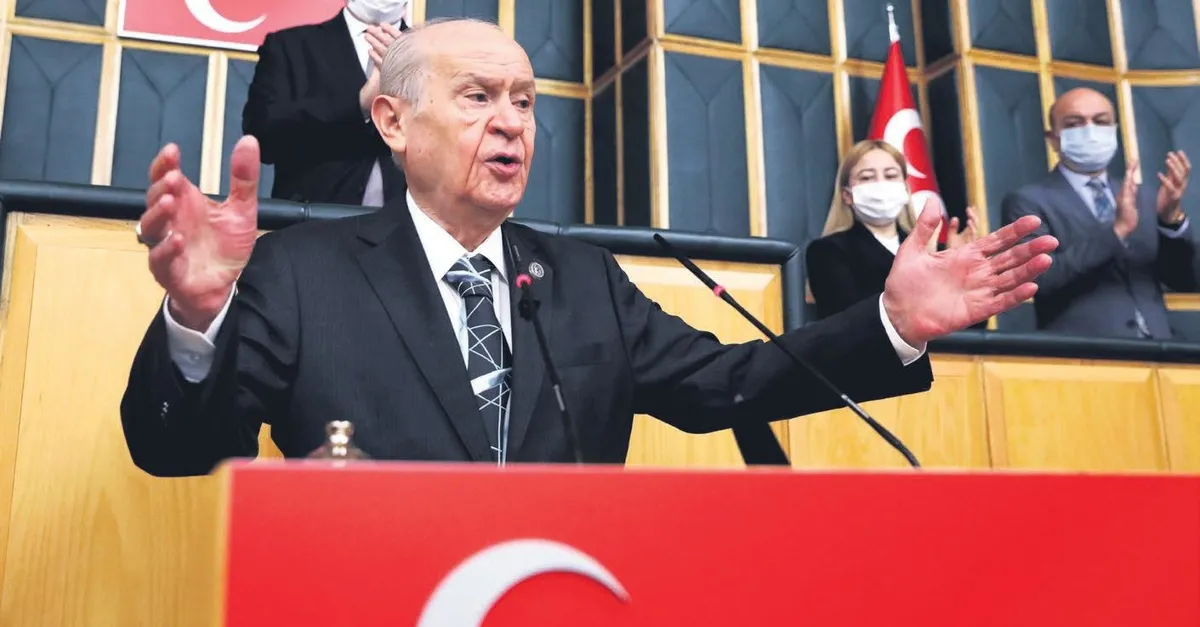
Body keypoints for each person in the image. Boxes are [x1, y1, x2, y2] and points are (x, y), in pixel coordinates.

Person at [121, 18, 1057, 477]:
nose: (511, 123)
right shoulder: (301, 273)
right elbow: (177, 452)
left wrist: (890, 322)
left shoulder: (580, 280)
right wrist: (195, 324)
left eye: (525, 101)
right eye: (478, 97)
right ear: (392, 121)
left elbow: (730, 383)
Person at [1000, 87, 1195, 338]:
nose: (1090, 131)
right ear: (1053, 139)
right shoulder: (1028, 201)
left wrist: (1170, 221)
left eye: (1101, 122)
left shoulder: (1144, 197)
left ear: (1113, 130)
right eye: (1074, 123)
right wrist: (1116, 231)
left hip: (1158, 347)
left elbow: (1185, 280)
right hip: (1084, 350)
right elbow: (1039, 279)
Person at [242, 0, 410, 205]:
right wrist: (360, 103)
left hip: (407, 218)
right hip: (313, 215)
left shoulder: (432, 57)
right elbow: (263, 135)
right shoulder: (291, 45)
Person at [806, 140, 979, 320]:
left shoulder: (936, 252)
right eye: (867, 178)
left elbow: (974, 325)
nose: (880, 184)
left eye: (890, 175)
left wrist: (959, 272)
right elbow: (851, 321)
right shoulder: (827, 252)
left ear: (905, 188)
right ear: (847, 195)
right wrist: (923, 270)